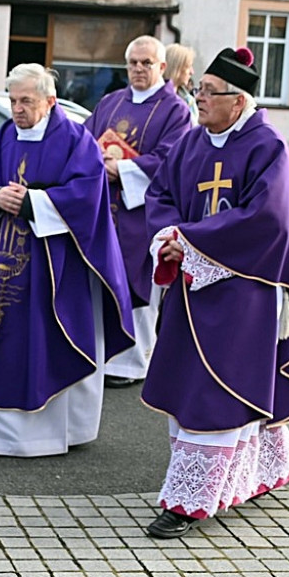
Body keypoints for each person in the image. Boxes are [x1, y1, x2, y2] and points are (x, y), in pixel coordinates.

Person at [140, 47, 289, 539]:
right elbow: (159, 196)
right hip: (188, 287)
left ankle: (189, 502)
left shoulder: (268, 148)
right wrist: (168, 239)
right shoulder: (191, 143)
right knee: (188, 384)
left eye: (207, 92)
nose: (197, 99)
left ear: (237, 101)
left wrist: (192, 241)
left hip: (243, 293)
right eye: (197, 89)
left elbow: (272, 218)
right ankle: (254, 471)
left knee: (218, 389)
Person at [0, 64, 134, 456]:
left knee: (40, 338)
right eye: (12, 100)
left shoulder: (76, 139)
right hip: (1, 257)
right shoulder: (8, 135)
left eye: (26, 100)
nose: (17, 109)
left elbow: (87, 195)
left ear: (50, 101)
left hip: (54, 263)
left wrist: (34, 203)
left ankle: (38, 435)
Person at [84, 35, 192, 388]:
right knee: (101, 280)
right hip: (105, 208)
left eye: (147, 63)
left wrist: (123, 170)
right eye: (133, 62)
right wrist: (98, 161)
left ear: (162, 67)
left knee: (139, 281)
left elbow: (171, 157)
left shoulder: (175, 110)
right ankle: (99, 355)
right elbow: (85, 140)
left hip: (142, 211)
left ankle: (133, 362)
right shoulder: (111, 101)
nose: (139, 69)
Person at [164, 42, 199, 125]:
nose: (192, 72)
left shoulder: (188, 99)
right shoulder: (156, 99)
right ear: (176, 68)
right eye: (188, 66)